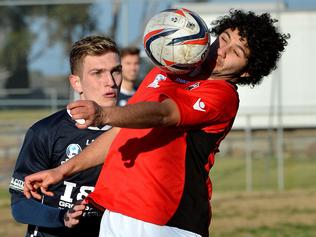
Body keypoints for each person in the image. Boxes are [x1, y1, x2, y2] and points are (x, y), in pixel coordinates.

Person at [23, 9, 289, 237]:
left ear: (246, 71)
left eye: (236, 51)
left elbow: (164, 114)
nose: (222, 50)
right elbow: (121, 133)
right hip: (118, 209)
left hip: (165, 219)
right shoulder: (167, 69)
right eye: (224, 39)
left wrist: (104, 114)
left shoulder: (222, 96)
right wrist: (63, 171)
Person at [9, 35, 123, 237]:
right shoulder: (45, 132)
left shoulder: (136, 130)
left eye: (116, 71)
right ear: (76, 83)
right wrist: (61, 217)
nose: (111, 82)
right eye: (98, 73)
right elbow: (20, 204)